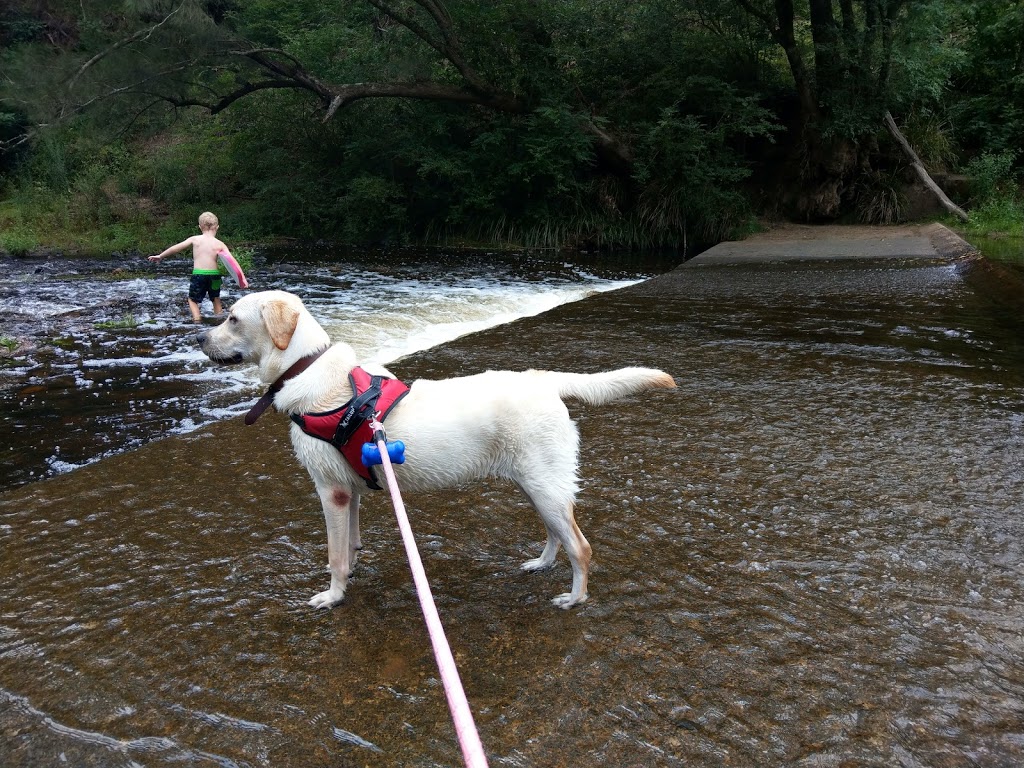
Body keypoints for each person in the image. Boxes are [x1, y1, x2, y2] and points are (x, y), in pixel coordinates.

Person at [149, 211, 249, 322]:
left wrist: (160, 256)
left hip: (199, 275)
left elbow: (176, 248)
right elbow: (232, 262)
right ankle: (219, 320)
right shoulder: (220, 243)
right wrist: (242, 279)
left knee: (192, 300)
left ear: (200, 227)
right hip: (214, 276)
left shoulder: (195, 239)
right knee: (216, 299)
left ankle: (197, 320)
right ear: (217, 227)